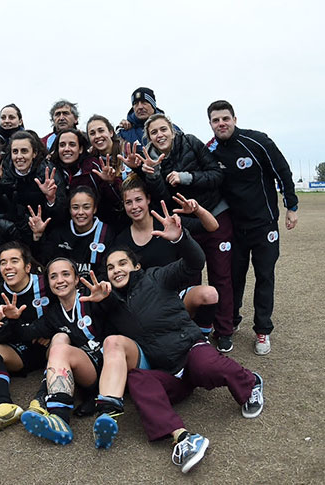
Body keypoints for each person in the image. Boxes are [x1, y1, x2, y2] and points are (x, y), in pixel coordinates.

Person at [84, 202, 264, 474]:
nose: (116, 270)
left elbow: (195, 262)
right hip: (165, 372)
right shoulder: (112, 302)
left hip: (190, 351)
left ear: (136, 265)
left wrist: (181, 239)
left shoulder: (157, 277)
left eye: (122, 263)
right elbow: (103, 335)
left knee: (207, 365)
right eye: (110, 268)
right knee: (137, 379)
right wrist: (101, 302)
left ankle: (250, 382)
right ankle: (182, 438)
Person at [206, 100, 298, 355]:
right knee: (234, 277)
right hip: (234, 227)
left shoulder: (257, 142)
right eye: (215, 120)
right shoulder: (211, 149)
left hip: (263, 225)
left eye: (225, 118)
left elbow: (282, 171)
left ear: (234, 119)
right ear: (210, 124)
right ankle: (231, 320)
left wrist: (292, 206)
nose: (221, 124)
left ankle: (262, 331)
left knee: (264, 276)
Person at [141, 113, 234, 351]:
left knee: (220, 274)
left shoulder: (191, 142)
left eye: (163, 129)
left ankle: (224, 330)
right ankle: (194, 330)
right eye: (154, 132)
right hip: (185, 222)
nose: (160, 135)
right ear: (149, 137)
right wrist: (152, 175)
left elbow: (217, 175)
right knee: (189, 277)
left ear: (171, 129)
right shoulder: (151, 158)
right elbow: (162, 197)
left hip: (213, 213)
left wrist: (187, 178)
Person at [0, 258, 105, 445]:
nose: (60, 280)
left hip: (110, 370)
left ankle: (51, 407)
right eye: (53, 276)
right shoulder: (53, 313)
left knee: (60, 344)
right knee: (59, 339)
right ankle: (58, 417)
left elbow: (122, 318)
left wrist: (108, 300)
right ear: (48, 283)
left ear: (76, 279)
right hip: (87, 372)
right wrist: (10, 320)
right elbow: (26, 333)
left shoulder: (93, 298)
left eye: (66, 274)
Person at [114, 177, 220, 332]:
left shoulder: (168, 224)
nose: (134, 206)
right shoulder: (121, 240)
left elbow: (212, 226)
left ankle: (202, 335)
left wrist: (197, 209)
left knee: (209, 293)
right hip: (147, 304)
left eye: (138, 200)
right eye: (128, 202)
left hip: (177, 297)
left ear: (148, 199)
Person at [0, 241, 49, 433]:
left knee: (61, 342)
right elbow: (0, 336)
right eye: (3, 262)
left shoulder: (46, 283)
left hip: (52, 347)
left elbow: (64, 308)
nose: (7, 267)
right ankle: (4, 406)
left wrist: (53, 331)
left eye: (14, 261)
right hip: (21, 350)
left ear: (27, 266)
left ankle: (43, 401)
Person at [29, 185, 115, 282]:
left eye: (86, 207)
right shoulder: (59, 232)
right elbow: (42, 261)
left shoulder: (106, 233)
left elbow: (107, 271)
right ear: (69, 209)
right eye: (75, 207)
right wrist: (37, 236)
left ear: (94, 209)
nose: (80, 212)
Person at [0, 130, 65, 238]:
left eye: (24, 151)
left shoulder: (48, 174)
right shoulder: (3, 175)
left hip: (45, 232)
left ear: (34, 153)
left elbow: (60, 215)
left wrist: (51, 200)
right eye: (15, 151)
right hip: (14, 232)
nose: (19, 156)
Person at [49, 129, 123, 224]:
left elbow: (115, 202)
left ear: (80, 149)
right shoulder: (51, 170)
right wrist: (50, 199)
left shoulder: (93, 167)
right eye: (62, 145)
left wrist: (111, 182)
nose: (67, 149)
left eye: (72, 144)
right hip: (64, 228)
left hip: (97, 226)